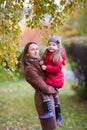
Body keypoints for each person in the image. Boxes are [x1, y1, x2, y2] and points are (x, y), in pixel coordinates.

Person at [21, 42, 58, 130]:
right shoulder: (30, 69)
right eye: (32, 49)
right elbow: (46, 88)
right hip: (43, 99)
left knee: (52, 126)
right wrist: (56, 87)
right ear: (27, 53)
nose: (36, 51)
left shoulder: (40, 63)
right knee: (48, 127)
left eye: (37, 49)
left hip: (49, 97)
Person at [40, 36, 66, 124]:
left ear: (57, 47)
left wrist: (46, 67)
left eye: (53, 45)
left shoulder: (57, 56)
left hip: (56, 79)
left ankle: (49, 112)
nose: (51, 46)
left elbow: (58, 68)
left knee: (44, 91)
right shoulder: (47, 53)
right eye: (49, 44)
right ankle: (58, 115)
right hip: (51, 78)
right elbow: (45, 61)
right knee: (54, 96)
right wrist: (42, 62)